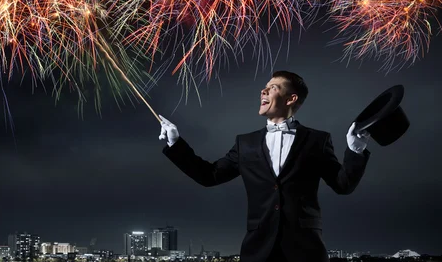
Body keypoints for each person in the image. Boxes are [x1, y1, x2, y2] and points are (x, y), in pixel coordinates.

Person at [158, 71, 371, 262]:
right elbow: (209, 176)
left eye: (272, 88)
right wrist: (175, 143)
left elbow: (343, 185)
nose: (263, 91)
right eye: (264, 87)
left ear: (291, 98)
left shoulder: (318, 140)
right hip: (258, 249)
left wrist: (355, 149)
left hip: (306, 250)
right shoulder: (245, 143)